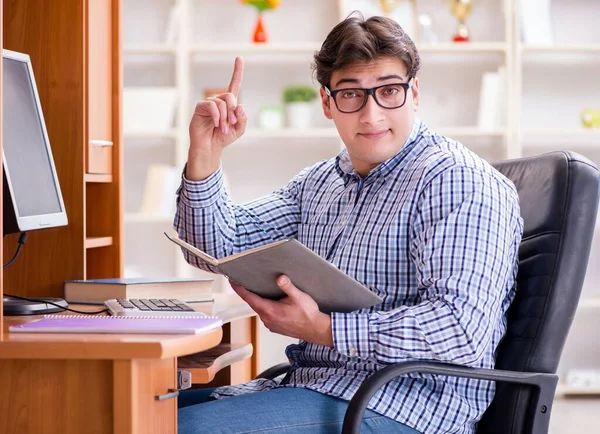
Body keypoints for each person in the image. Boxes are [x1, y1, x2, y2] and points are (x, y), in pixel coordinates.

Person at [174, 14, 523, 434]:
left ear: (414, 94)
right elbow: (217, 248)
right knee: (127, 408)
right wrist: (206, 154)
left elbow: (461, 331)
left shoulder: (457, 181)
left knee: (176, 428)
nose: (372, 115)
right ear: (327, 103)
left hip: (404, 406)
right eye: (352, 95)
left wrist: (325, 329)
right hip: (316, 387)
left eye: (389, 91)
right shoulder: (319, 182)